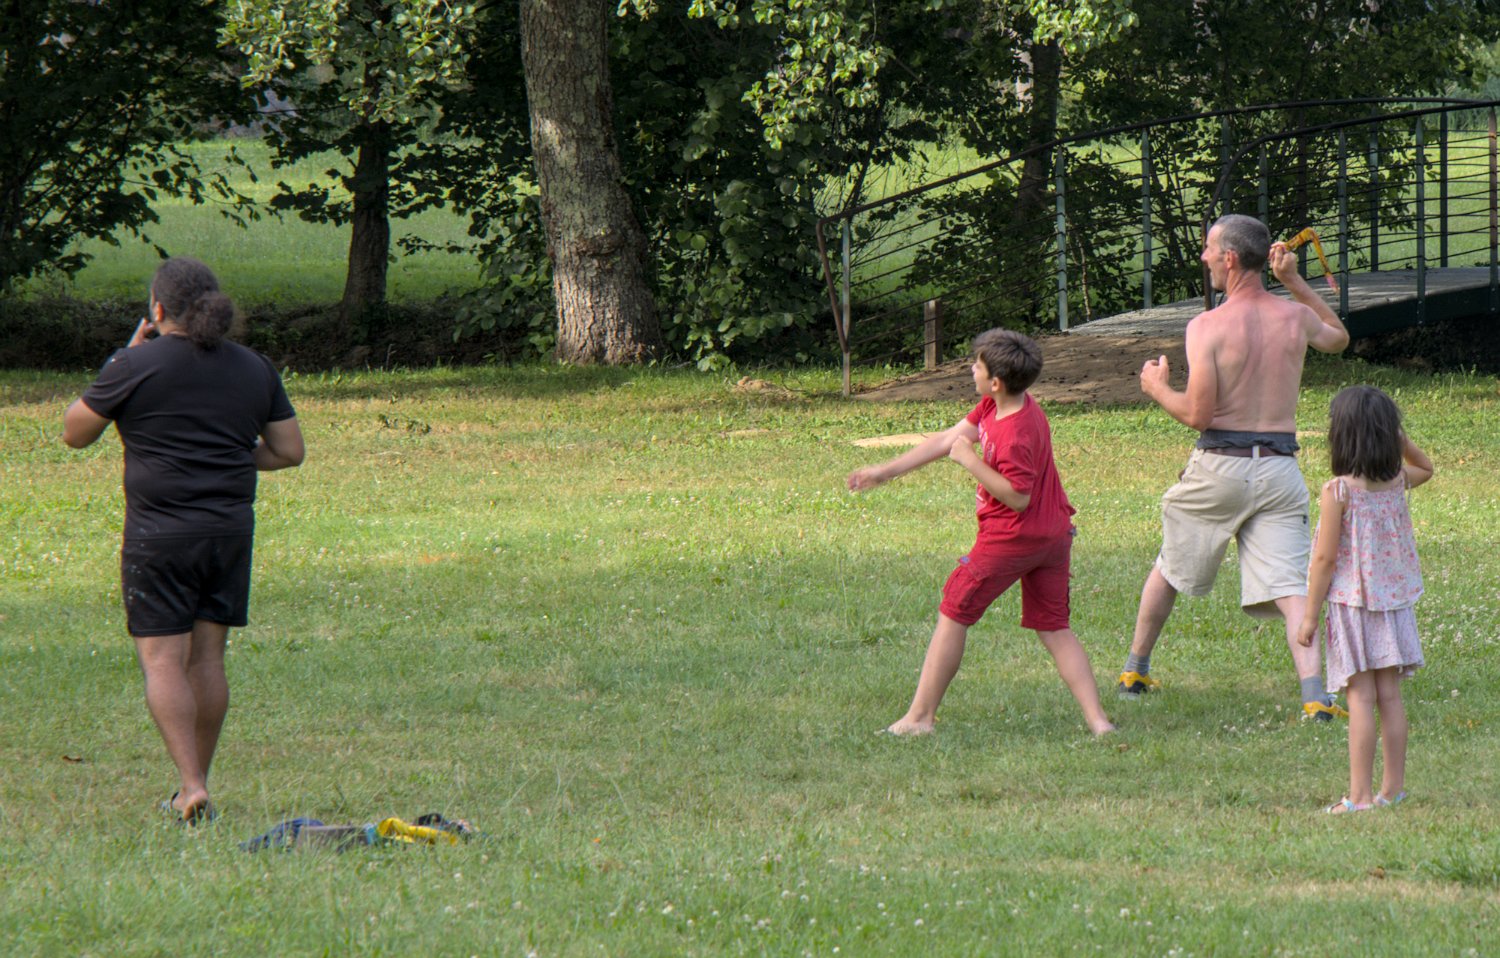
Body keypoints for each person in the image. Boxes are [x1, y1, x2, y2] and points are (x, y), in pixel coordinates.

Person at [63, 257, 305, 823]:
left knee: (163, 660)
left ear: (159, 308)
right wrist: (229, 457)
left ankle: (191, 785)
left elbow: (76, 433)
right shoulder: (253, 367)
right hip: (227, 531)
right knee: (208, 657)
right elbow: (288, 451)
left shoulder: (134, 363)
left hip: (160, 534)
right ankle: (197, 780)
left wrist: (123, 356)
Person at [1116, 213, 1352, 719]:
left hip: (1219, 469)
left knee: (1169, 567)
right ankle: (1315, 696)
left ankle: (1134, 671)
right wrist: (1293, 281)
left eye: (1208, 249)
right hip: (1279, 472)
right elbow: (1337, 337)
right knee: (1292, 586)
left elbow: (1198, 414)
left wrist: (1157, 389)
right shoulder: (1292, 318)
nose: (1203, 257)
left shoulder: (1206, 326)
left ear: (1229, 258)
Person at [847, 329, 1114, 736]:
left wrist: (970, 461)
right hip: (1053, 535)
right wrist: (884, 472)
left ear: (996, 381)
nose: (971, 367)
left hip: (1013, 537)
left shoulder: (1014, 434)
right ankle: (1099, 723)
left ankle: (920, 719)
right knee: (1054, 627)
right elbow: (947, 440)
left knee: (954, 612)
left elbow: (1018, 496)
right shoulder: (1000, 406)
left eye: (977, 365)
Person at [1298, 387, 1432, 813]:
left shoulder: (1337, 492)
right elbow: (1425, 467)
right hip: (1393, 604)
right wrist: (1399, 439)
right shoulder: (1397, 482)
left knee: (1360, 698)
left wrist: (1308, 616)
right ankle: (1391, 790)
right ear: (1386, 434)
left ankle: (1359, 798)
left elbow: (1323, 559)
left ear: (1342, 437)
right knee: (1389, 696)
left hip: (1354, 606)